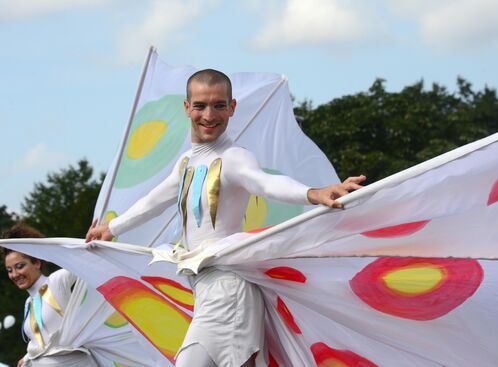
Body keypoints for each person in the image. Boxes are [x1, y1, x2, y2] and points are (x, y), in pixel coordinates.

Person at [86, 69, 366, 367]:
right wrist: (111, 229)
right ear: (186, 107)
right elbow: (152, 202)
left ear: (232, 108)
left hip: (228, 287)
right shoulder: (186, 164)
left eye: (219, 105)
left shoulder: (235, 158)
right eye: (200, 105)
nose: (209, 115)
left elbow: (264, 183)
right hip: (205, 286)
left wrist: (313, 193)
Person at [1, 224, 99, 367]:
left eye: (20, 266)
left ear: (37, 263)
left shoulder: (56, 282)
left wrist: (91, 241)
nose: (15, 274)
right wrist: (27, 357)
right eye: (9, 270)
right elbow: (43, 341)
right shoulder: (29, 303)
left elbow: (82, 260)